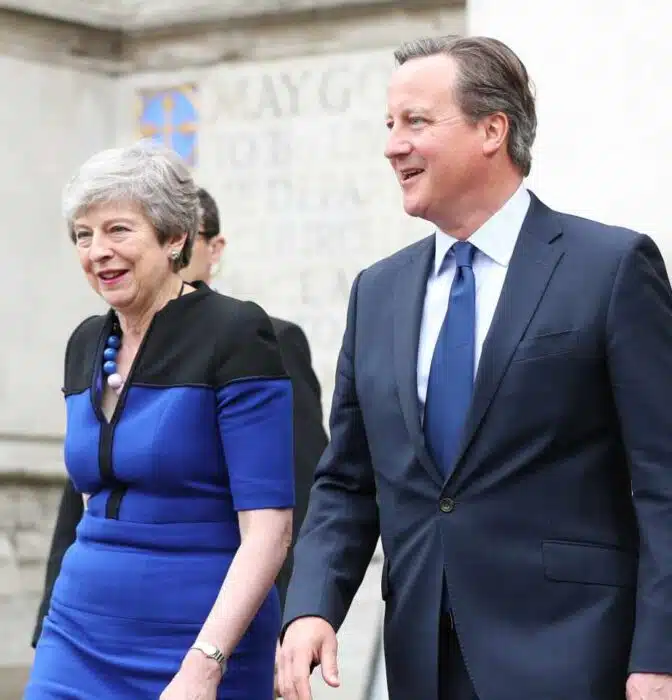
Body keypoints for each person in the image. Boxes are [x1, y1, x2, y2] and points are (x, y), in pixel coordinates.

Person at [277, 35, 672, 700]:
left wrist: (660, 657)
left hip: (575, 657)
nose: (393, 146)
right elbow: (346, 481)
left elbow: (664, 480)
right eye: (389, 124)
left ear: (493, 130)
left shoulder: (610, 269)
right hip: (423, 660)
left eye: (416, 122)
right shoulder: (378, 292)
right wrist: (313, 605)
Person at [24, 140, 295, 699]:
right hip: (77, 632)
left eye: (118, 230)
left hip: (197, 637)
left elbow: (269, 530)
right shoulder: (85, 343)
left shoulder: (235, 333)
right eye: (83, 235)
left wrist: (206, 663)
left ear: (174, 238)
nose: (98, 251)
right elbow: (89, 503)